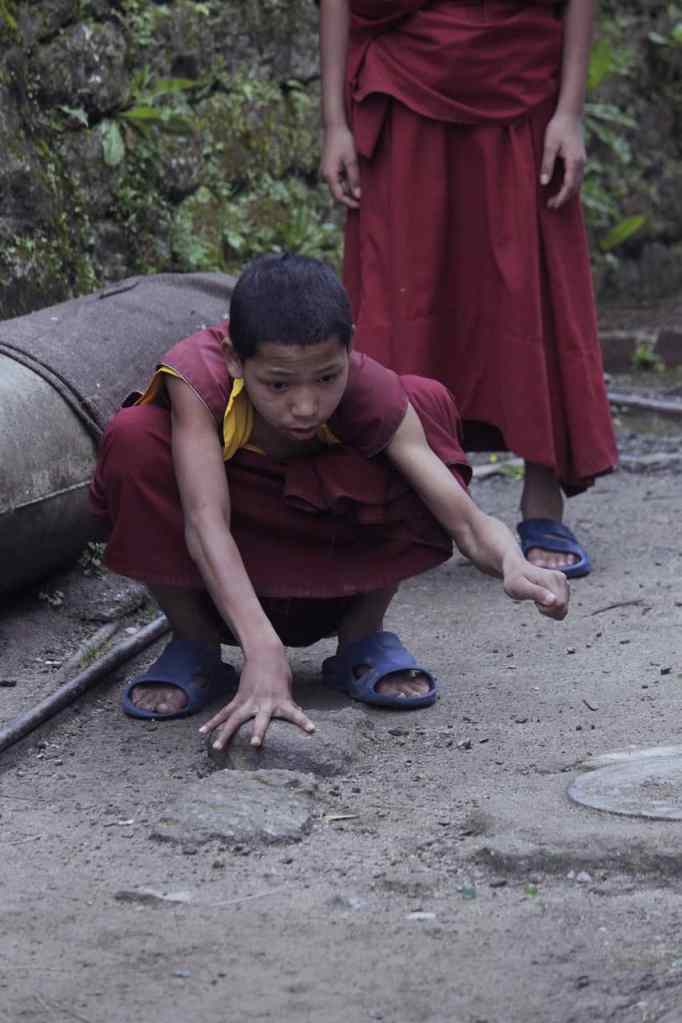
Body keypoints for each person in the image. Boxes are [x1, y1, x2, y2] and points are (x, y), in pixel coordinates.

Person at [90, 253, 568, 750]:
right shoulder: (197, 379)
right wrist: (263, 649)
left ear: (349, 349)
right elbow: (205, 521)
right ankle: (195, 644)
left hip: (334, 552)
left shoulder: (368, 390)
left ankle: (362, 637)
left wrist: (513, 562)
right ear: (234, 357)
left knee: (423, 401)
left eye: (326, 378)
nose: (305, 406)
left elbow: (466, 524)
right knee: (135, 438)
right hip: (224, 561)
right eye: (277, 384)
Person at [319, 0, 618, 579]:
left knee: (531, 288)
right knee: (400, 300)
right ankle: (399, 501)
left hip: (520, 76)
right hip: (401, 79)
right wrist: (333, 122)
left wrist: (570, 112)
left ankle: (542, 497)